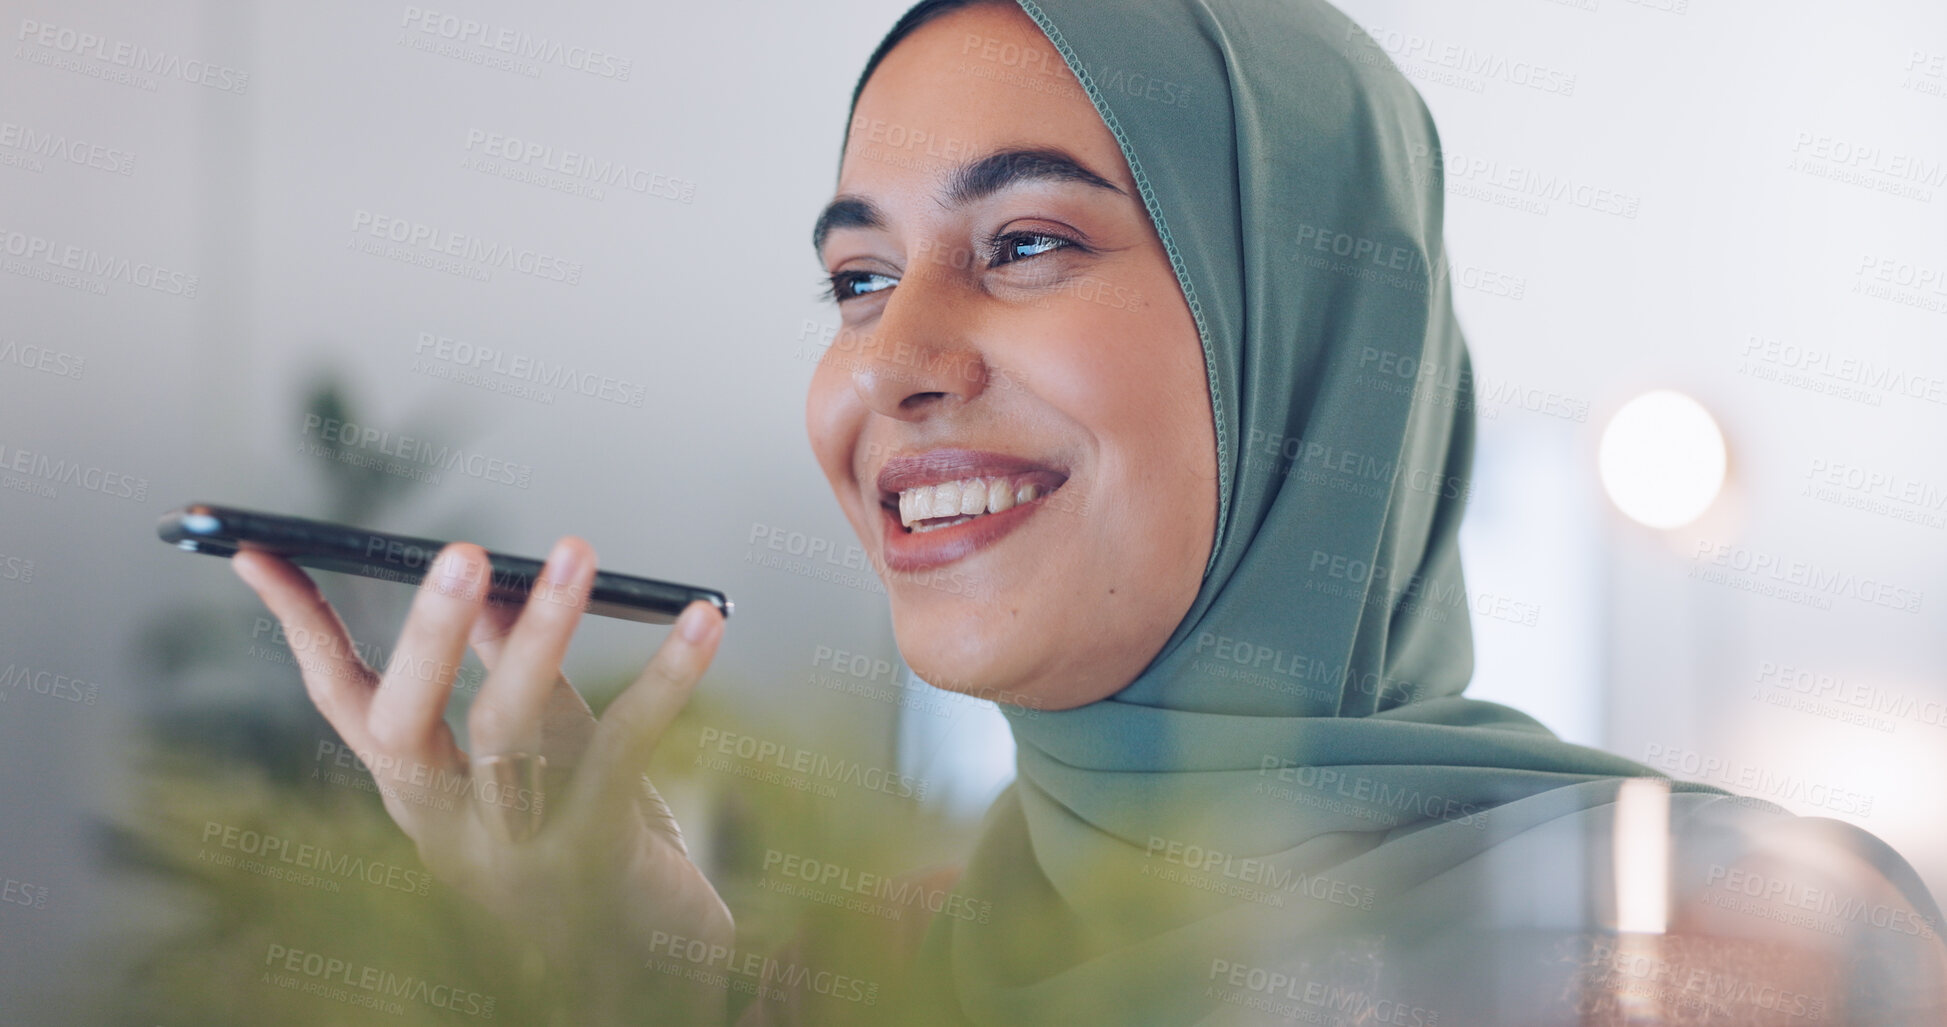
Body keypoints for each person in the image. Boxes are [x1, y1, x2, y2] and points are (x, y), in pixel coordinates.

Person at [235, 0, 1947, 1023]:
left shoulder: (1722, 938)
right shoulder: (863, 968)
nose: (889, 359)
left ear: (1308, 333)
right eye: (851, 276)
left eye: (1028, 243)